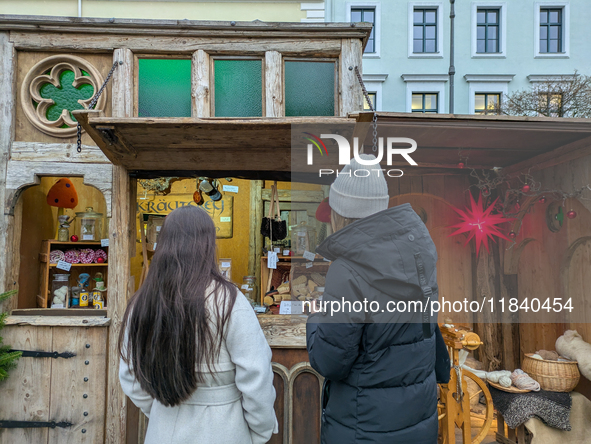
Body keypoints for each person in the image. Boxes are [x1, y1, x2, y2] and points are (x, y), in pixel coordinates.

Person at [307, 154, 448, 444]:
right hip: (418, 418)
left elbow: (330, 361)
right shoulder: (421, 253)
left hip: (364, 424)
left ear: (340, 214)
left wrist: (315, 319)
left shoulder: (346, 270)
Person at [119, 205, 278, 444]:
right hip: (225, 430)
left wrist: (163, 412)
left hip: (165, 430)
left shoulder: (142, 302)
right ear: (208, 245)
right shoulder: (230, 300)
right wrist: (259, 432)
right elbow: (257, 377)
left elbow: (131, 377)